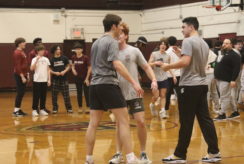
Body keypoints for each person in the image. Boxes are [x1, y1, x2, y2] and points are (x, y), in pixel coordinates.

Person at [85, 14, 143, 164]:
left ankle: (89, 159)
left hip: (94, 85)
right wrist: (133, 82)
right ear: (113, 26)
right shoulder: (111, 42)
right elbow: (117, 64)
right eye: (119, 26)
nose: (119, 30)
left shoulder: (96, 43)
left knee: (93, 124)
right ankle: (131, 158)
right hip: (108, 83)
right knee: (123, 120)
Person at [161, 17, 221, 163]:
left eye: (183, 27)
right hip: (201, 85)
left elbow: (186, 62)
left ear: (191, 27)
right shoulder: (204, 43)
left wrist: (167, 66)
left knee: (186, 121)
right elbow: (195, 60)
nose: (182, 30)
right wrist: (181, 52)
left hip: (189, 86)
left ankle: (179, 155)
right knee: (205, 119)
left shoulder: (188, 41)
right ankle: (214, 152)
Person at [109, 22, 157, 164]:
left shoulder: (134, 51)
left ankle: (143, 153)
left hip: (135, 93)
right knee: (119, 124)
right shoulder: (111, 51)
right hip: (118, 94)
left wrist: (154, 79)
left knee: (141, 122)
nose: (119, 34)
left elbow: (146, 67)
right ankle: (118, 154)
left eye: (122, 32)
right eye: (117, 32)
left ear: (126, 36)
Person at [214, 39, 241, 120]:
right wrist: (211, 65)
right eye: (224, 43)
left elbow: (237, 68)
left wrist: (233, 79)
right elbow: (219, 63)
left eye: (227, 43)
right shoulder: (223, 53)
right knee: (228, 96)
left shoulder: (234, 55)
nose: (224, 45)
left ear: (231, 44)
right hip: (219, 78)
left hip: (226, 79)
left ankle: (222, 114)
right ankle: (235, 112)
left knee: (224, 97)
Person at [149, 38, 176, 119]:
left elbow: (169, 67)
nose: (163, 45)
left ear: (166, 46)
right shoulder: (154, 54)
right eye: (162, 44)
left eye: (165, 44)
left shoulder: (168, 56)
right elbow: (148, 64)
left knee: (163, 95)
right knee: (156, 96)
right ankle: (152, 104)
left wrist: (173, 76)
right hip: (155, 79)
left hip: (164, 78)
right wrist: (155, 63)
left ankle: (162, 112)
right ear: (159, 45)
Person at [49, 45, 73, 114]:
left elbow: (68, 66)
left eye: (59, 49)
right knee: (54, 95)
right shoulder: (51, 60)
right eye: (57, 49)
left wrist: (64, 71)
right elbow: (49, 69)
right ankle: (55, 108)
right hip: (55, 80)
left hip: (64, 79)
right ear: (54, 51)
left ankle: (69, 108)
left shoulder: (64, 58)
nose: (59, 51)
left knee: (66, 95)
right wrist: (54, 72)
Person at [30, 44, 51, 117]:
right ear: (38, 51)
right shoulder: (34, 59)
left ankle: (42, 109)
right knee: (36, 96)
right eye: (41, 50)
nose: (43, 52)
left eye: (43, 50)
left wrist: (49, 80)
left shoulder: (46, 59)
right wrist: (37, 60)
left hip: (44, 80)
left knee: (43, 95)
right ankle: (34, 110)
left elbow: (48, 70)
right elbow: (32, 69)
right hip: (37, 80)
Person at [71, 43, 91, 114]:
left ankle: (88, 107)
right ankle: (80, 107)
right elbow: (72, 66)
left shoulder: (85, 57)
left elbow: (89, 68)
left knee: (86, 93)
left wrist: (87, 78)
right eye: (76, 49)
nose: (77, 50)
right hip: (77, 78)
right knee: (79, 93)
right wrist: (73, 70)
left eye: (79, 49)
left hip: (85, 78)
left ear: (82, 50)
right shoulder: (73, 57)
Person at [13, 37, 29, 117]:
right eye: (24, 42)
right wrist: (22, 76)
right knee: (20, 92)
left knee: (22, 93)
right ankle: (16, 111)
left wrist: (27, 74)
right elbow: (17, 66)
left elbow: (25, 64)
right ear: (19, 43)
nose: (25, 43)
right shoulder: (17, 53)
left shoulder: (22, 52)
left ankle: (18, 109)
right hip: (19, 75)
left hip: (24, 74)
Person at [165, 36, 181, 113]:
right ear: (176, 42)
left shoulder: (166, 52)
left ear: (167, 43)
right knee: (180, 93)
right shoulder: (180, 51)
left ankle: (165, 108)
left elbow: (167, 65)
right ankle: (181, 108)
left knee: (168, 93)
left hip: (170, 75)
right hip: (179, 74)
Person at [205, 39, 220, 113]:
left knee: (207, 92)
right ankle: (217, 108)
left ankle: (207, 110)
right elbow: (215, 64)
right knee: (214, 91)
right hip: (213, 74)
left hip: (208, 74)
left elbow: (214, 64)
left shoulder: (204, 53)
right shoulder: (213, 54)